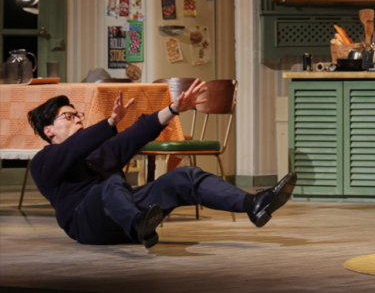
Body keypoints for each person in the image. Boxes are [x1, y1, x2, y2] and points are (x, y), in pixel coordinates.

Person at [27, 80, 298, 247]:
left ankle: (254, 204)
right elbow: (73, 148)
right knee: (112, 182)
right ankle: (137, 224)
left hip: (125, 216)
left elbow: (138, 132)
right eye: (68, 116)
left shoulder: (98, 150)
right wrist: (110, 122)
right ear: (49, 131)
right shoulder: (43, 162)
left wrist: (174, 109)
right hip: (88, 225)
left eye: (78, 115)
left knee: (184, 177)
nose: (77, 119)